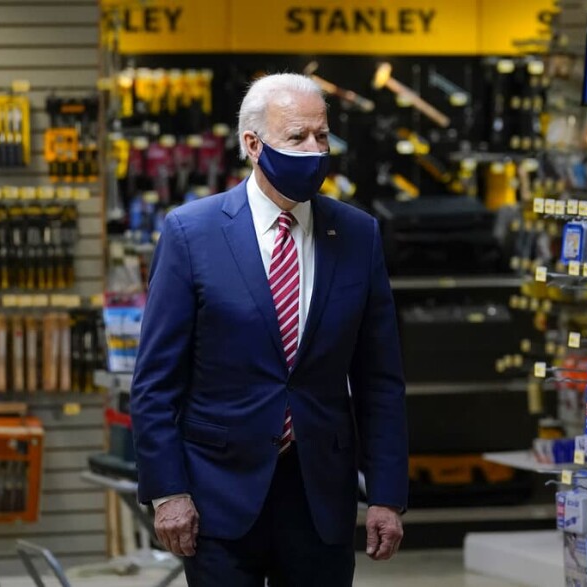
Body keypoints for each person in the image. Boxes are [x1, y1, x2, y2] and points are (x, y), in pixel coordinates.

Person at [130, 72, 409, 586]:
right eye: (297, 137)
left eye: (321, 136)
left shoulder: (357, 234)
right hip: (217, 496)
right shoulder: (192, 233)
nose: (315, 150)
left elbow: (380, 381)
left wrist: (387, 495)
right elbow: (155, 383)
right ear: (253, 145)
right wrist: (168, 492)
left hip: (319, 497)